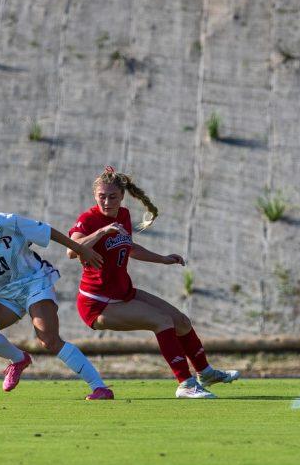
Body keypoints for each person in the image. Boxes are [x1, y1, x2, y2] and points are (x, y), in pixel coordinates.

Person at [0, 162, 115, 400]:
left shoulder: (6, 222)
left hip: (32, 282)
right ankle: (18, 359)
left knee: (48, 339)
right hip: (3, 295)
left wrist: (80, 250)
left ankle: (99, 386)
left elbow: (49, 232)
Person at [67, 165, 239, 399]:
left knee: (181, 321)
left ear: (122, 196)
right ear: (95, 196)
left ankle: (205, 373)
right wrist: (100, 233)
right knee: (162, 321)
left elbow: (130, 248)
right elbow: (71, 251)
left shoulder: (124, 215)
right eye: (102, 197)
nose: (107, 202)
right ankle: (185, 384)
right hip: (98, 303)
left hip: (123, 292)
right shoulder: (89, 219)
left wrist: (163, 259)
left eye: (112, 196)